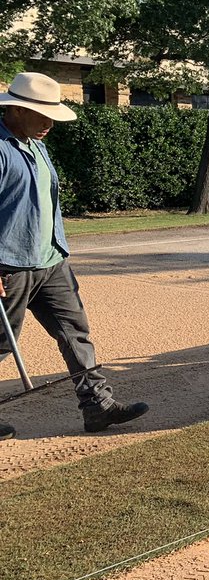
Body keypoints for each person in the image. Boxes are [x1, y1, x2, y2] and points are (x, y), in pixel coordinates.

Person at [0, 72, 150, 440]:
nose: (49, 124)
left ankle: (98, 406)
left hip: (51, 261)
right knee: (0, 343)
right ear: (17, 110)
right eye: (43, 115)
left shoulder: (36, 144)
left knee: (75, 333)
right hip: (9, 265)